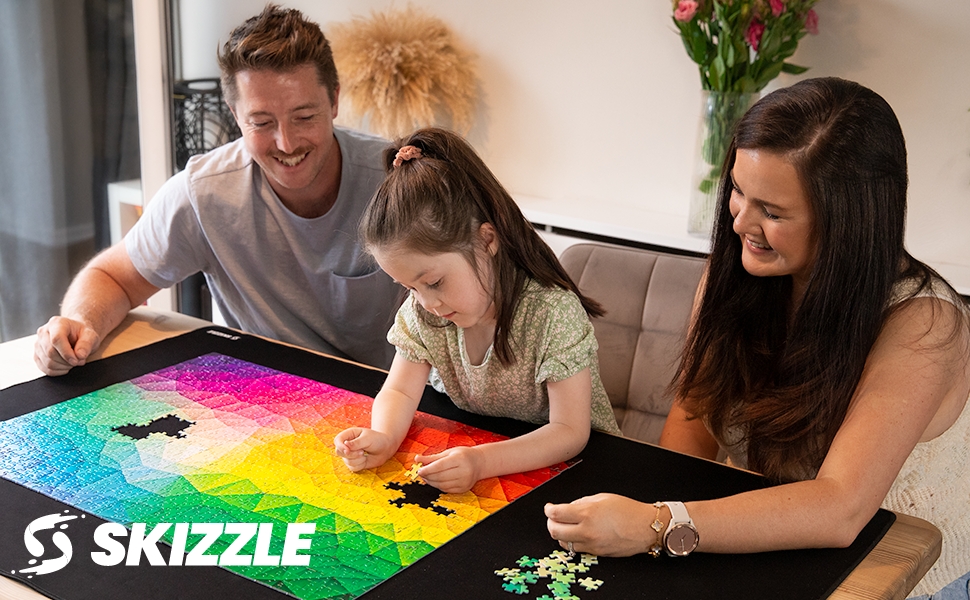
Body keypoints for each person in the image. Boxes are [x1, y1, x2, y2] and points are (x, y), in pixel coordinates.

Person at [544, 77, 970, 598]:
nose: (740, 221)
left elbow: (839, 508)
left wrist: (657, 523)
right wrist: (653, 527)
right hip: (770, 550)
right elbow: (693, 421)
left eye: (772, 212)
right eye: (738, 192)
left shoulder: (925, 324)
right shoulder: (741, 273)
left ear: (850, 224)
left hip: (901, 576)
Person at [33, 4, 402, 374]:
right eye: (261, 122)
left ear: (334, 100)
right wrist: (79, 327)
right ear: (234, 114)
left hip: (383, 402)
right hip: (260, 397)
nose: (286, 143)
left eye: (304, 117)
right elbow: (112, 277)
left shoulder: (397, 180)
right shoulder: (204, 193)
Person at [333, 128, 621, 494]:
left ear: (487, 240)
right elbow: (401, 392)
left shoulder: (551, 313)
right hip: (489, 451)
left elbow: (569, 432)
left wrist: (481, 462)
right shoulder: (424, 314)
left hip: (584, 471)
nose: (427, 303)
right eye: (409, 288)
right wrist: (384, 436)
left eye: (434, 282)